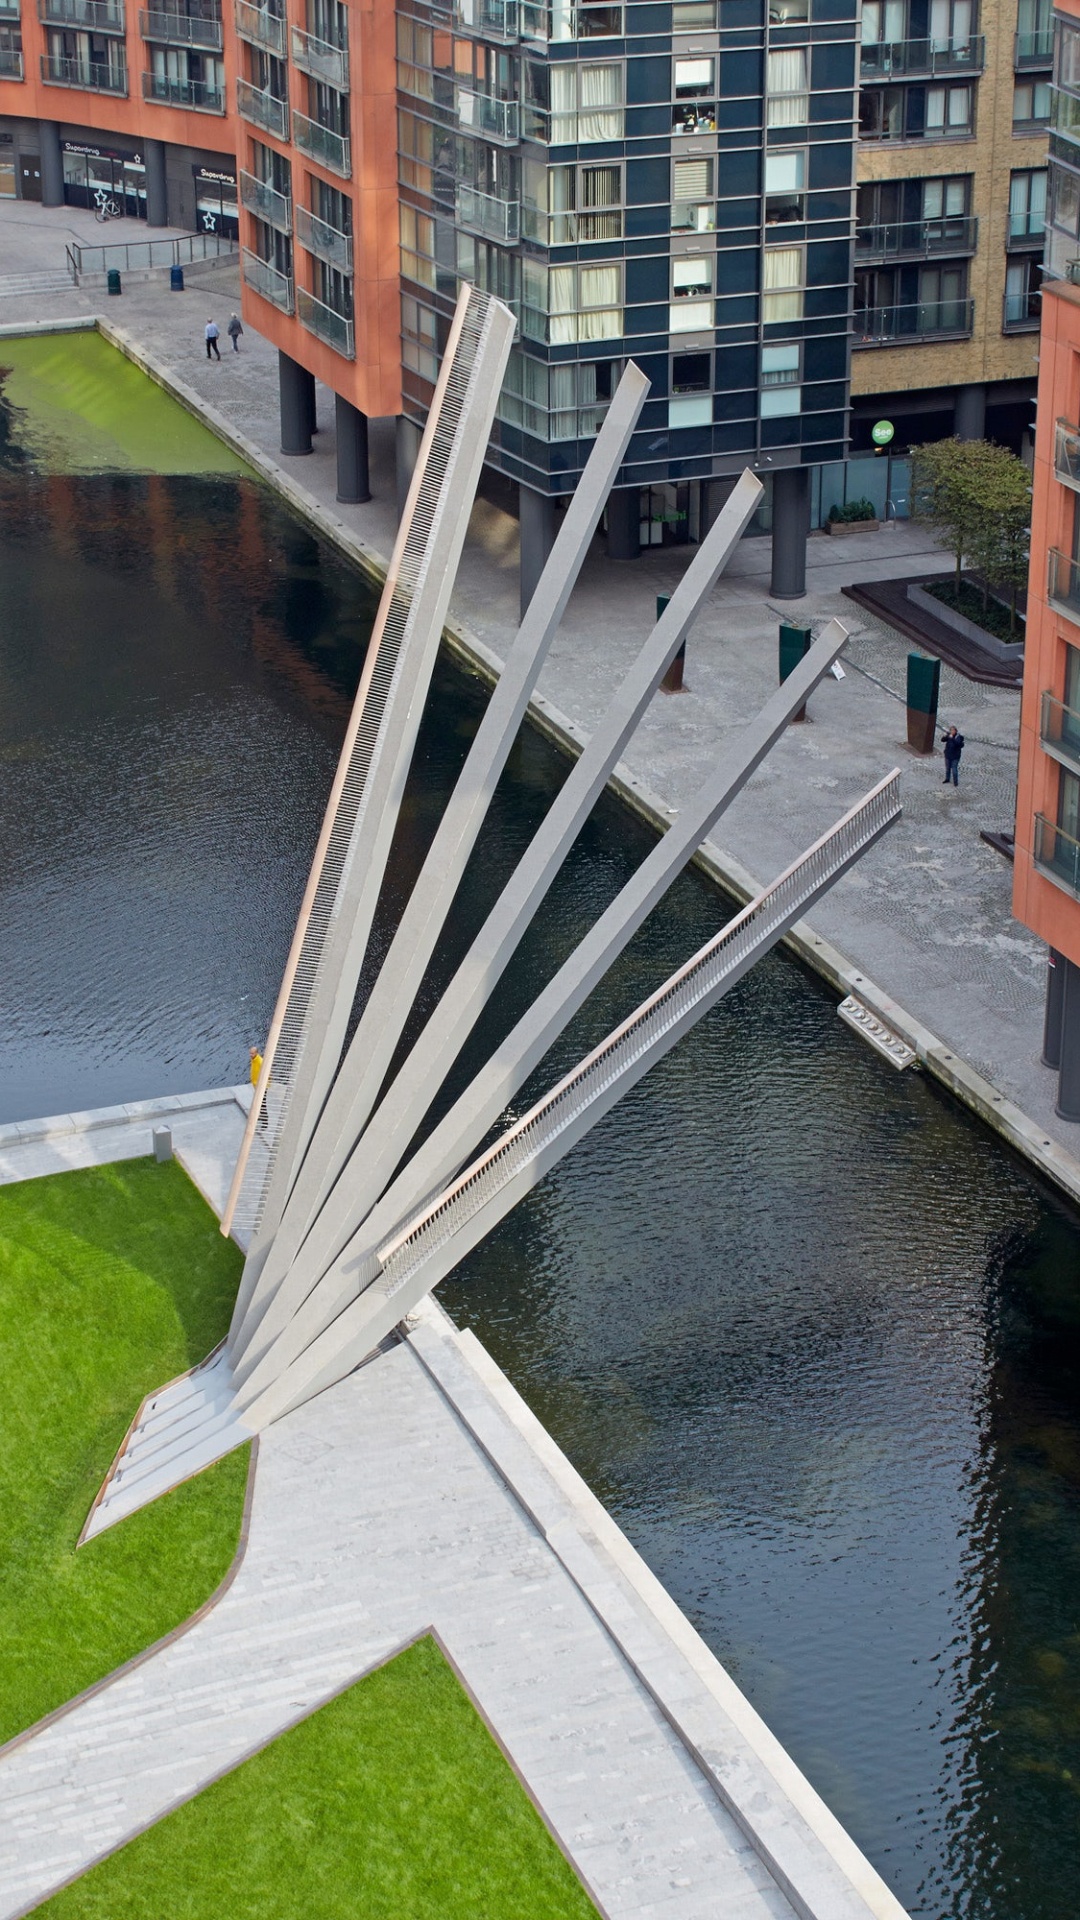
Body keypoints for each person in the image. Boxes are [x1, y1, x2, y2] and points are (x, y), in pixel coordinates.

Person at [250, 1043, 267, 1129]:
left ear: (256, 1053)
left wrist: (262, 1086)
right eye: (250, 1053)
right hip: (256, 1085)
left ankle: (265, 1122)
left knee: (262, 1103)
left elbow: (266, 1074)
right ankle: (261, 1116)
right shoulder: (254, 1060)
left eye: (252, 1053)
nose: (251, 1055)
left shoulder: (260, 1061)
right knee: (259, 1102)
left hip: (261, 1087)